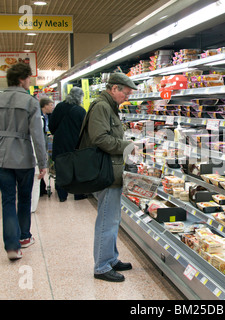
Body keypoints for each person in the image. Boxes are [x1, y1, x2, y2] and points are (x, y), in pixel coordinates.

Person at [0, 63, 47, 261]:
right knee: (24, 198)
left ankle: (12, 246)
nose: (30, 82)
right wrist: (43, 162)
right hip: (23, 156)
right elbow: (37, 136)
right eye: (29, 78)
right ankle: (23, 236)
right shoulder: (30, 102)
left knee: (7, 201)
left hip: (2, 156)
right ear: (22, 79)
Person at [79, 73, 135, 282]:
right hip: (106, 171)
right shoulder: (102, 107)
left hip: (112, 169)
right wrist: (127, 146)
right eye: (126, 94)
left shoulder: (108, 106)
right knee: (107, 219)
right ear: (114, 89)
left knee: (113, 218)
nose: (127, 98)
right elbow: (100, 138)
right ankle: (102, 266)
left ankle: (111, 258)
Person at [49, 87, 86, 202]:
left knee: (61, 170)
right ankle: (78, 194)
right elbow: (85, 130)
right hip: (75, 146)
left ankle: (62, 195)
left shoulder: (59, 107)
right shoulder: (81, 111)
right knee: (77, 171)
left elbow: (52, 126)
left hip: (59, 144)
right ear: (80, 97)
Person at [31, 97, 54, 213]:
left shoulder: (47, 116)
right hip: (37, 149)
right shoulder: (37, 117)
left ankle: (42, 190)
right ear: (44, 105)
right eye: (50, 105)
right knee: (37, 176)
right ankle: (32, 206)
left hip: (43, 142)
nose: (52, 107)